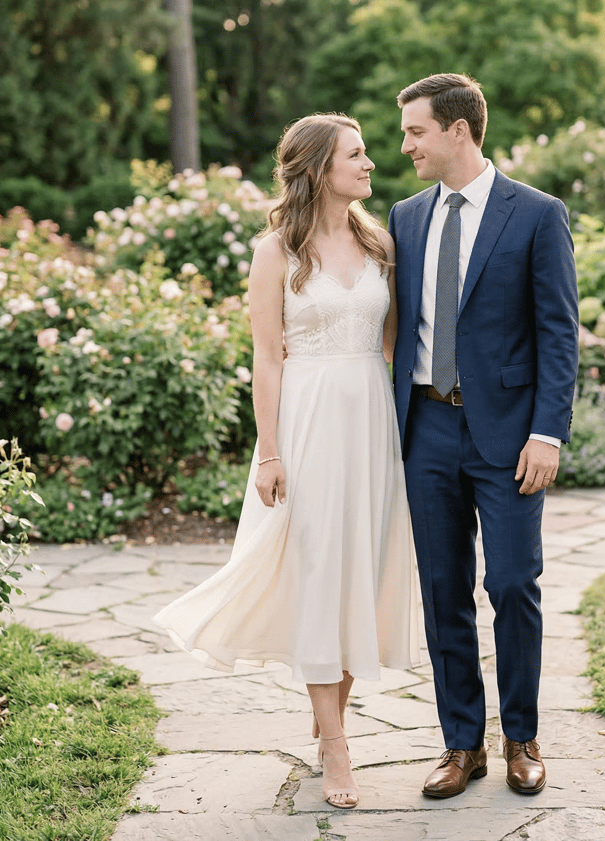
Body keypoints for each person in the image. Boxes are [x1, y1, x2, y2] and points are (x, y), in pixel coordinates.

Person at [154, 113, 420, 810]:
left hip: (370, 424)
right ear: (317, 168)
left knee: (358, 572)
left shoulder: (381, 243)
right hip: (306, 424)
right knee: (318, 570)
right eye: (356, 154)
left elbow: (394, 350)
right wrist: (268, 453)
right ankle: (336, 745)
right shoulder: (275, 252)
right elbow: (265, 359)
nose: (371, 163)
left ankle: (329, 709)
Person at [388, 74, 578, 799]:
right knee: (443, 588)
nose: (405, 145)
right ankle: (460, 742)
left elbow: (559, 333)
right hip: (427, 426)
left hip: (510, 436)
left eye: (415, 131)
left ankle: (521, 737)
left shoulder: (535, 214)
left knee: (512, 583)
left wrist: (547, 432)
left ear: (458, 130)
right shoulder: (406, 218)